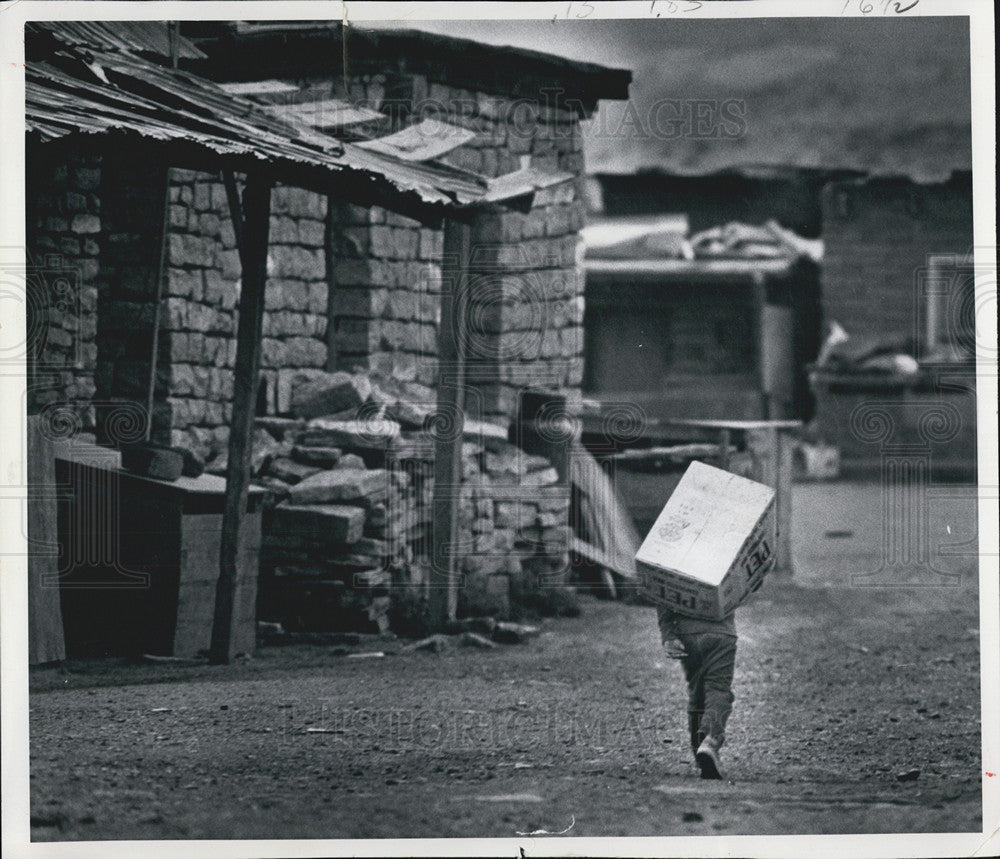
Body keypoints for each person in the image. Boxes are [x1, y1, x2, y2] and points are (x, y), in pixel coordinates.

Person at [657, 604, 737, 780]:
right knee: (718, 688)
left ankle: (701, 755)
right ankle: (710, 740)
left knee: (697, 692)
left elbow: (662, 591)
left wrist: (668, 635)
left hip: (688, 633)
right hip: (722, 632)